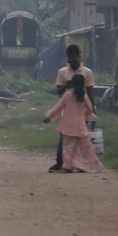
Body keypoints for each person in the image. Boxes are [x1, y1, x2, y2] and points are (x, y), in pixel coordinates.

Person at [44, 74, 103, 172]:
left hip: (67, 124)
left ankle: (67, 166)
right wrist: (86, 115)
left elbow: (57, 107)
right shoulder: (84, 96)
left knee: (67, 146)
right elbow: (90, 109)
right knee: (86, 146)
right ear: (83, 84)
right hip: (80, 124)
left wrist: (49, 117)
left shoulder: (67, 95)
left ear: (72, 83)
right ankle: (88, 165)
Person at [49, 44, 95, 172]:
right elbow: (59, 91)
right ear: (68, 57)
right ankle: (61, 162)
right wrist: (67, 86)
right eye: (70, 56)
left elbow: (90, 92)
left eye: (75, 56)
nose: (73, 59)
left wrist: (93, 109)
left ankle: (82, 164)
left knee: (81, 138)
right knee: (64, 137)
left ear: (78, 56)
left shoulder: (87, 72)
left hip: (82, 109)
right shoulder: (63, 72)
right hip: (68, 109)